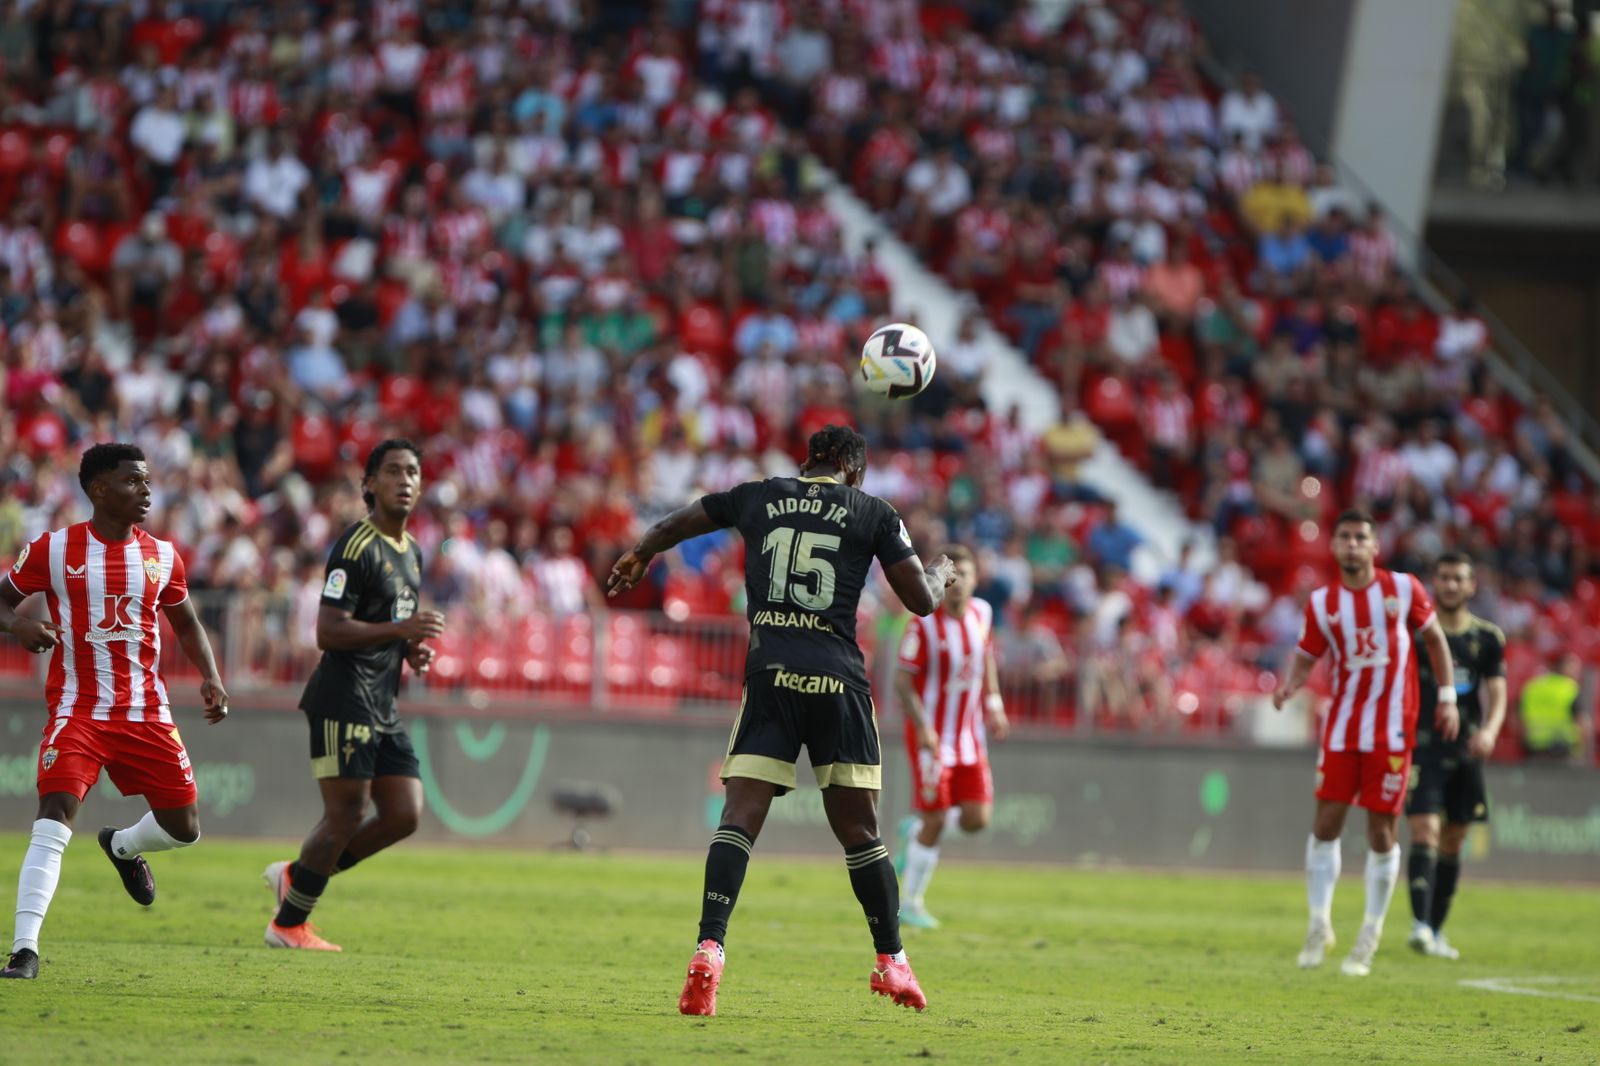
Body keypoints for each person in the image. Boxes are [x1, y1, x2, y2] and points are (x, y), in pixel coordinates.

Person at [606, 425, 956, 1016]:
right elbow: (920, 601)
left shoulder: (758, 494)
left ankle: (708, 950)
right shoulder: (874, 510)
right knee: (861, 833)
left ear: (809, 459)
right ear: (854, 470)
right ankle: (891, 962)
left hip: (771, 675)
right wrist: (942, 574)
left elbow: (673, 525)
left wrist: (640, 554)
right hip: (838, 681)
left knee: (740, 818)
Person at [0, 443, 229, 981]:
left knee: (185, 829)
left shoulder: (163, 555)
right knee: (53, 817)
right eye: (132, 482)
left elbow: (188, 623)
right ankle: (24, 951)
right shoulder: (53, 550)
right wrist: (17, 626)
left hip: (146, 711)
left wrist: (212, 675)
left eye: (147, 481)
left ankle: (123, 846)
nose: (146, 491)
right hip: (78, 709)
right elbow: (1, 601)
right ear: (99, 489)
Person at [262, 440, 445, 951]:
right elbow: (328, 630)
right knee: (344, 814)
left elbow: (385, 625)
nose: (404, 480)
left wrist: (410, 649)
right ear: (369, 484)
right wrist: (402, 626)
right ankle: (288, 924)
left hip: (382, 702)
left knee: (404, 813)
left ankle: (297, 876)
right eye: (392, 471)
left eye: (412, 471)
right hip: (343, 696)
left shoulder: (414, 553)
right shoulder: (356, 545)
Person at [1272, 509, 1458, 978]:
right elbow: (1306, 654)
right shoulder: (1321, 603)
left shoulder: (1402, 588)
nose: (1353, 545)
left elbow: (1435, 640)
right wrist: (1290, 684)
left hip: (1393, 729)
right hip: (1341, 728)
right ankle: (1318, 925)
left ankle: (1369, 934)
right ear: (1333, 547)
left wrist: (1449, 696)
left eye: (1361, 537)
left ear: (1375, 547)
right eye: (1345, 537)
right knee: (1326, 823)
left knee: (1380, 833)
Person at [893, 544, 1008, 929]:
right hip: (932, 737)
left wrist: (993, 703)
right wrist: (923, 727)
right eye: (952, 578)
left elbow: (986, 657)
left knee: (978, 819)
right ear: (943, 580)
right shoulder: (922, 624)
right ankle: (910, 902)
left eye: (967, 577)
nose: (959, 586)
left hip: (969, 736)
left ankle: (914, 832)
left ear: (977, 580)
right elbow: (902, 681)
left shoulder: (983, 614)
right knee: (937, 819)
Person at [1404, 552, 1506, 961]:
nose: (1449, 585)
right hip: (1422, 745)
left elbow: (1497, 691)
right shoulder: (1416, 636)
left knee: (1455, 837)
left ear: (1470, 585)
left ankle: (1435, 928)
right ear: (1434, 582)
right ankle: (1418, 926)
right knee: (1425, 829)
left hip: (1466, 749)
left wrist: (1491, 731)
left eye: (1457, 578)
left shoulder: (1488, 637)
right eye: (1443, 577)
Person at [1519, 651, 1584, 760]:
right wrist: (1580, 750)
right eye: (1574, 667)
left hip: (1533, 747)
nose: (1578, 672)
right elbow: (1581, 722)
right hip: (1563, 748)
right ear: (1562, 667)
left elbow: (1518, 719)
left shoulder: (1532, 686)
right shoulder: (1570, 688)